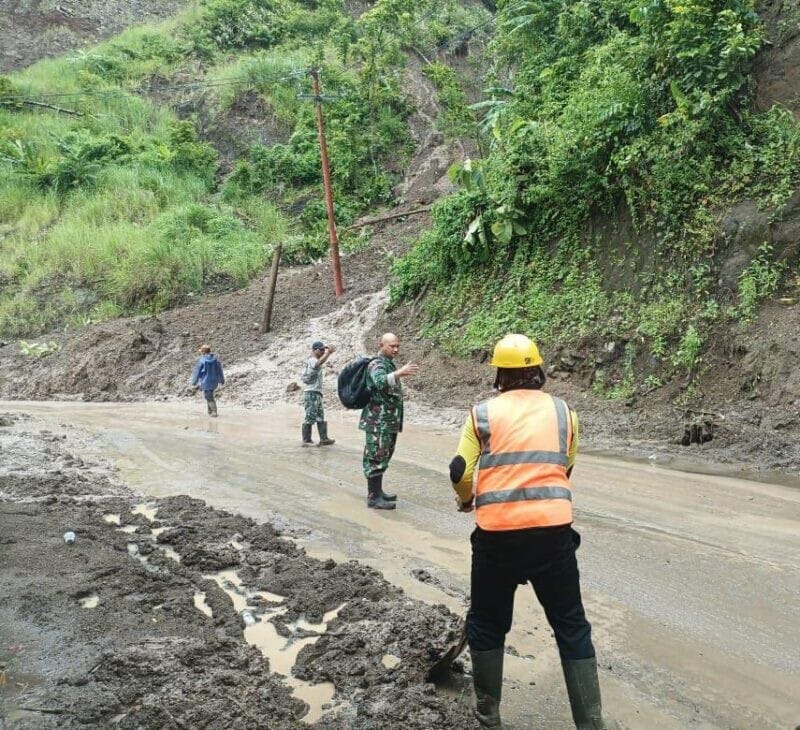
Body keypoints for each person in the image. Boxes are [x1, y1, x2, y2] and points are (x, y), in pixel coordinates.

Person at [448, 334, 606, 729]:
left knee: (487, 621)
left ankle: (488, 716)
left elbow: (461, 470)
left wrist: (466, 499)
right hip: (553, 534)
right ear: (538, 370)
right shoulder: (564, 412)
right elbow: (564, 467)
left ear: (499, 374)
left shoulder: (481, 414)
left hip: (497, 536)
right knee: (570, 623)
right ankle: (590, 724)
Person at [359, 333, 418, 509]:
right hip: (378, 421)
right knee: (376, 456)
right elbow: (379, 382)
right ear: (381, 345)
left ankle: (378, 492)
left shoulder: (387, 364)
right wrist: (399, 373)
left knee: (384, 455)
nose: (396, 349)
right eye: (392, 346)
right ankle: (373, 497)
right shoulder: (376, 364)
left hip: (387, 421)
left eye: (397, 346)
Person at [301, 340, 336, 447]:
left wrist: (327, 353)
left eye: (323, 350)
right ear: (315, 350)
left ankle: (323, 439)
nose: (322, 351)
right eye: (321, 350)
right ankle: (306, 440)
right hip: (311, 393)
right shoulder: (312, 360)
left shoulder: (313, 359)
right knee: (310, 416)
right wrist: (328, 353)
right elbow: (318, 363)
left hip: (316, 393)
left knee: (320, 416)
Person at [190, 344, 225, 417]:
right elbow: (219, 370)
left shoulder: (202, 360)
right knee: (209, 395)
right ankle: (209, 411)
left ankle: (214, 412)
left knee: (208, 396)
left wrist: (194, 381)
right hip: (214, 381)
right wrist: (221, 380)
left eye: (201, 352)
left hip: (205, 381)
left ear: (203, 352)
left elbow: (198, 372)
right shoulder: (215, 360)